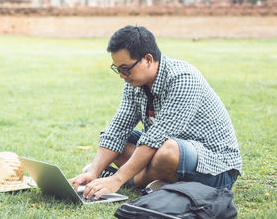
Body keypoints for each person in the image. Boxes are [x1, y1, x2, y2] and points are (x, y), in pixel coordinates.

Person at [69, 26, 242, 200]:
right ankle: (158, 180)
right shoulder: (134, 83)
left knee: (168, 151)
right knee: (112, 139)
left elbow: (156, 139)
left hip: (215, 168)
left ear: (148, 59)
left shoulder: (183, 78)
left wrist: (117, 179)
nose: (122, 75)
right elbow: (118, 128)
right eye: (118, 69)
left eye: (125, 68)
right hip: (162, 151)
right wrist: (93, 172)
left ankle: (135, 181)